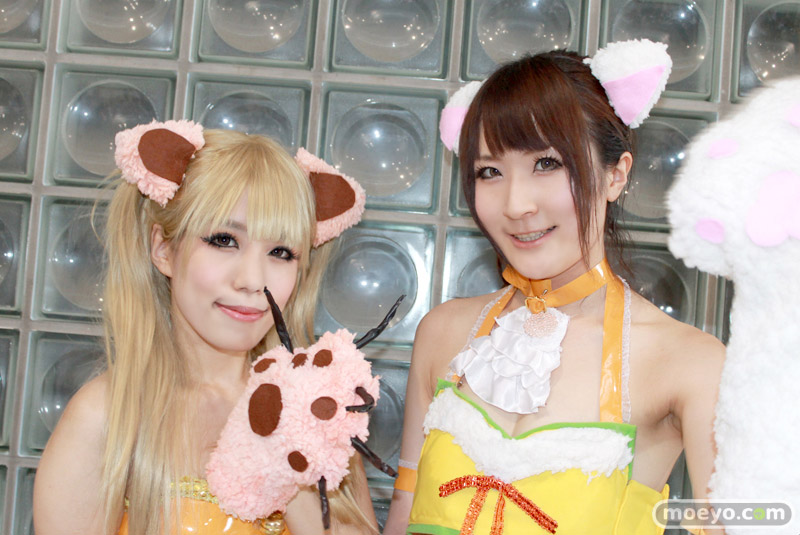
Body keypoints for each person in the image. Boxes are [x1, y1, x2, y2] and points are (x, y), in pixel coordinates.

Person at [384, 43, 725, 535]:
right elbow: (403, 516)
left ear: (615, 174)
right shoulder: (443, 333)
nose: (516, 204)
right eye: (489, 172)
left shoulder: (688, 362)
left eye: (546, 163)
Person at [33, 125, 377, 535]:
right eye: (224, 240)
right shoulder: (107, 416)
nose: (253, 280)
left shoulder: (322, 413)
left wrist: (296, 456)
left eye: (280, 252)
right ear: (163, 249)